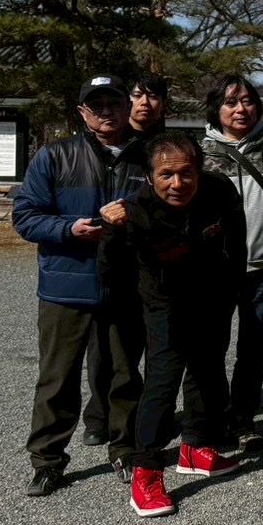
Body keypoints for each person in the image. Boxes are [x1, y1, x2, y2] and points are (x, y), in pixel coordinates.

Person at [13, 75, 150, 495]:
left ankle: (125, 449)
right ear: (82, 113)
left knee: (124, 375)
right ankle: (47, 460)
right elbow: (25, 216)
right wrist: (68, 229)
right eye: (96, 105)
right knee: (57, 378)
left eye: (114, 103)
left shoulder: (150, 155)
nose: (106, 111)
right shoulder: (55, 156)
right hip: (66, 286)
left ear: (128, 106)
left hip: (127, 284)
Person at [100, 133, 246, 518]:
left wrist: (231, 292)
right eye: (166, 175)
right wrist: (112, 231)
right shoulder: (133, 211)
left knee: (208, 371)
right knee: (162, 382)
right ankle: (146, 470)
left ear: (199, 171)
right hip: (163, 301)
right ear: (150, 177)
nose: (177, 184)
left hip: (211, 293)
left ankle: (195, 447)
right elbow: (109, 274)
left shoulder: (219, 191)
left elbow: (237, 244)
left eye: (186, 173)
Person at [199, 73, 263, 448]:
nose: (240, 109)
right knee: (210, 347)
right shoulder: (201, 152)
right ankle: (212, 418)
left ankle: (243, 418)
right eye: (230, 102)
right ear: (216, 108)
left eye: (247, 101)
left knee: (253, 347)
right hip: (216, 268)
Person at [79, 70, 172, 446]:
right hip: (107, 256)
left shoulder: (163, 145)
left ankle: (144, 416)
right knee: (104, 346)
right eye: (137, 95)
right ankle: (98, 415)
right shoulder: (106, 143)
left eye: (154, 96)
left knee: (148, 346)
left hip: (151, 259)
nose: (145, 103)